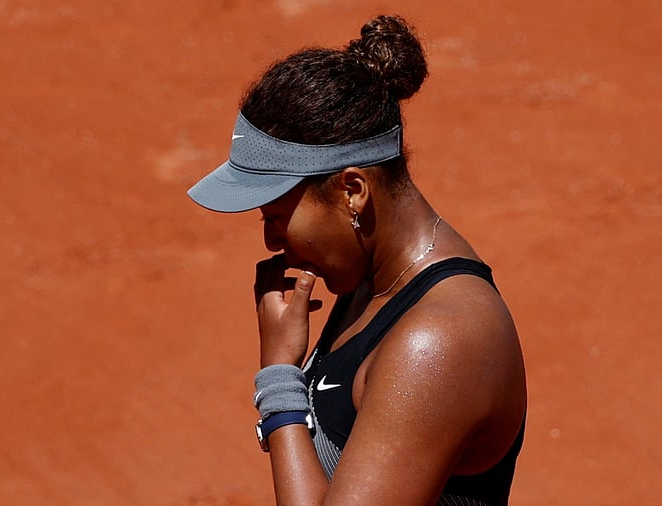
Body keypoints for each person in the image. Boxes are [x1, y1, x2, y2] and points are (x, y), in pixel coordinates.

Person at [187, 15, 527, 506]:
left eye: (277, 216)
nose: (270, 241)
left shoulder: (438, 341)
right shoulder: (372, 278)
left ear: (352, 191)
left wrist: (279, 379)